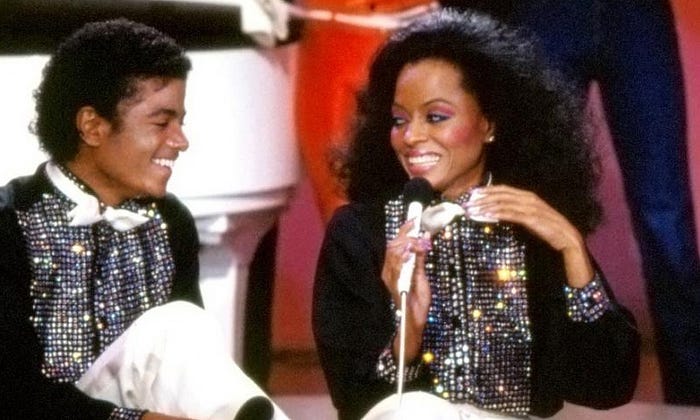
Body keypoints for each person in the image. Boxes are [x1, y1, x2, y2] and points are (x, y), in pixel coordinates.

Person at [312, 8, 640, 420]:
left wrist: (573, 249)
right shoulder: (360, 235)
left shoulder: (532, 229)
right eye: (399, 120)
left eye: (436, 117)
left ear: (488, 123)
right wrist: (408, 332)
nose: (411, 136)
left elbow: (608, 386)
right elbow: (355, 401)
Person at [0, 18, 283, 420]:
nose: (180, 141)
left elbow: (190, 371)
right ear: (92, 126)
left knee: (180, 326)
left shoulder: (169, 221)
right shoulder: (12, 223)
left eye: (181, 122)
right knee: (174, 326)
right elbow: (12, 393)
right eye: (161, 123)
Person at [439, 0, 700, 405]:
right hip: (543, 11)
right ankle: (515, 384)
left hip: (637, 14)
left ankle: (692, 395)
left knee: (665, 216)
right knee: (530, 199)